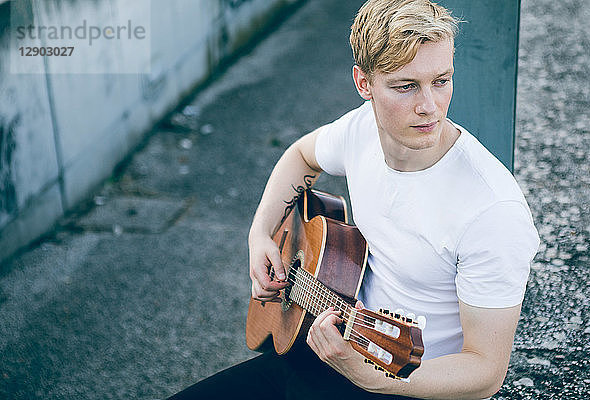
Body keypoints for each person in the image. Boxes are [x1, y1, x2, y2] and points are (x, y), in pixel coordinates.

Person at [168, 0, 539, 399]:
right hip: (324, 349)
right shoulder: (361, 128)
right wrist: (260, 235)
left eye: (442, 80)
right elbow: (301, 157)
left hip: (411, 384)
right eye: (405, 86)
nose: (429, 106)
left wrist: (377, 379)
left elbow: (485, 373)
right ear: (364, 84)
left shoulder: (492, 211)